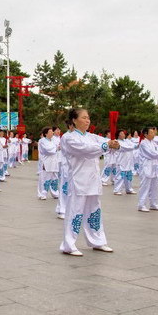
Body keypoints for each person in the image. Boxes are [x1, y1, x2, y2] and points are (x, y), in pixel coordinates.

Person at [59, 109, 120, 256]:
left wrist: (114, 144)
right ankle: (69, 244)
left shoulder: (92, 137)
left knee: (95, 212)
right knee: (75, 212)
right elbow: (85, 150)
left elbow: (104, 144)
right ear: (74, 120)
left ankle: (97, 241)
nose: (88, 120)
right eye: (84, 118)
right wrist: (106, 146)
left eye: (88, 118)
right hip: (78, 180)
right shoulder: (68, 138)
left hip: (93, 180)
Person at [137, 127, 158, 212]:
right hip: (146, 166)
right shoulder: (143, 143)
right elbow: (152, 154)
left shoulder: (153, 143)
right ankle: (141, 204)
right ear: (145, 134)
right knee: (145, 186)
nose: (153, 134)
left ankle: (153, 204)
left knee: (154, 186)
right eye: (151, 132)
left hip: (154, 166)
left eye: (153, 132)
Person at [37, 127, 60, 200]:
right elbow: (47, 150)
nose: (52, 133)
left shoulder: (53, 140)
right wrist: (56, 148)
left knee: (55, 178)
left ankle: (55, 193)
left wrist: (58, 147)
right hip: (46, 162)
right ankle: (42, 194)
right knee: (45, 178)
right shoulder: (42, 141)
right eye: (50, 132)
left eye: (52, 131)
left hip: (54, 162)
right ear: (46, 133)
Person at [113, 131, 138, 195]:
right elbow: (125, 148)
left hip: (128, 161)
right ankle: (117, 190)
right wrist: (133, 147)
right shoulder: (116, 142)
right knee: (120, 176)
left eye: (124, 133)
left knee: (129, 176)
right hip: (121, 161)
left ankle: (129, 189)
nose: (124, 134)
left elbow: (133, 145)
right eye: (122, 133)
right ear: (118, 135)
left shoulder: (127, 141)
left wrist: (139, 144)